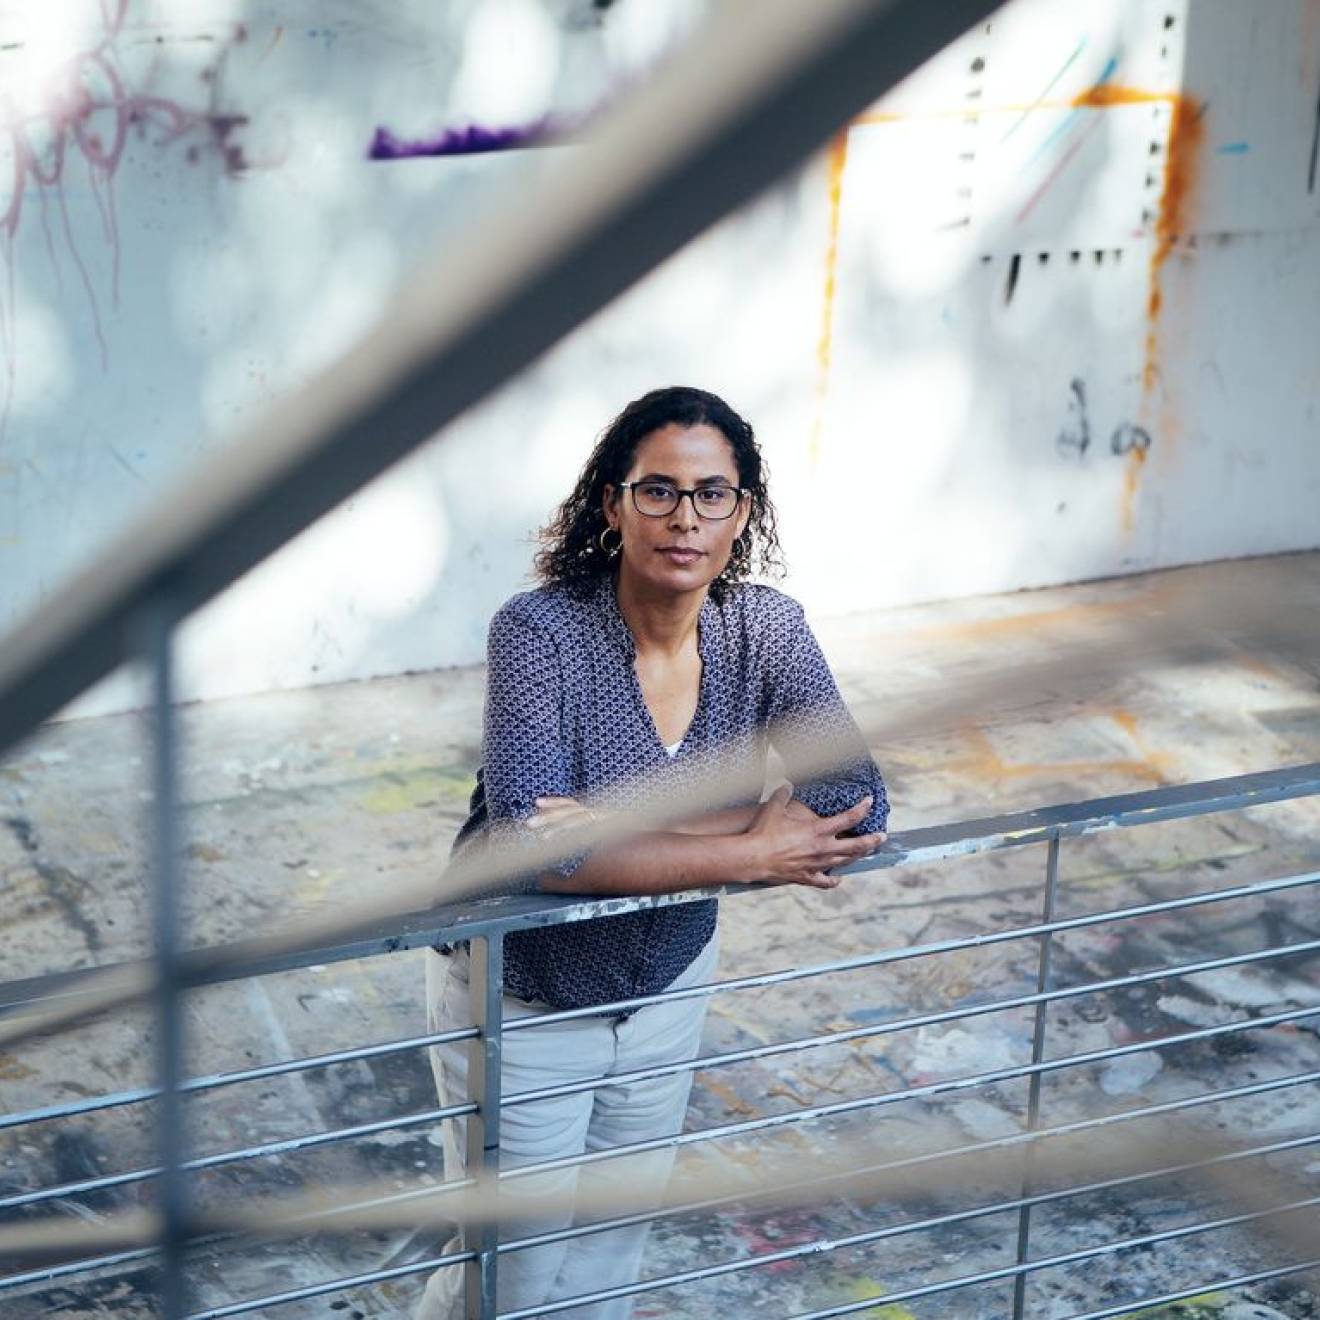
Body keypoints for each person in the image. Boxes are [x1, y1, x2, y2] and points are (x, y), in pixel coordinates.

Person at [417, 386, 888, 1319]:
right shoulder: (541, 632)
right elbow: (532, 851)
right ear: (613, 503)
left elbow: (854, 798)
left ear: (742, 511)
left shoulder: (765, 630)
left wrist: (605, 828)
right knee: (505, 1274)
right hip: (525, 996)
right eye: (658, 490)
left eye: (712, 494)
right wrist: (749, 843)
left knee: (607, 1264)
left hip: (667, 984)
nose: (685, 518)